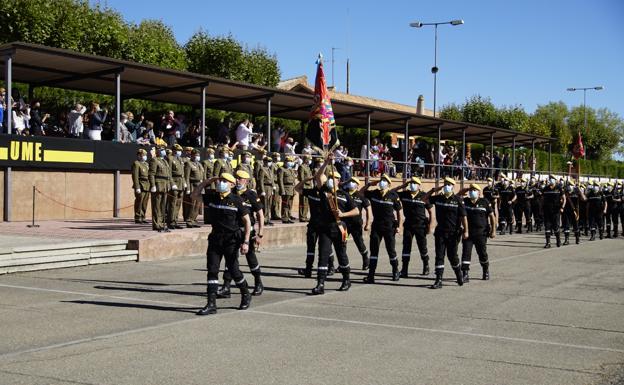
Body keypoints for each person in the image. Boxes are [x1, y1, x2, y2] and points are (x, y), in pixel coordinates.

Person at [192, 172, 252, 315]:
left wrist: (246, 242)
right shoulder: (213, 197)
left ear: (231, 185)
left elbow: (247, 222)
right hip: (215, 239)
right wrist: (207, 181)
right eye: (220, 180)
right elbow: (194, 195)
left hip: (231, 240)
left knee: (234, 270)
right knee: (212, 270)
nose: (221, 183)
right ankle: (211, 304)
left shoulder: (236, 200)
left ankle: (245, 293)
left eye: (225, 181)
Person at [307, 155, 359, 294]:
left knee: (342, 255)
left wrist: (343, 215)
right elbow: (318, 176)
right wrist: (326, 163)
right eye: (330, 177)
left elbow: (356, 210)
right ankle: (320, 284)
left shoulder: (344, 194)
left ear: (339, 181)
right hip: (325, 228)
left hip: (339, 227)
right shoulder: (324, 190)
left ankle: (346, 279)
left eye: (334, 178)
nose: (331, 179)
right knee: (323, 256)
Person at [217, 170, 265, 298]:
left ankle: (258, 282)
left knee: (251, 258)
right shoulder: (230, 194)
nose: (238, 180)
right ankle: (226, 286)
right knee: (230, 259)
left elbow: (260, 215)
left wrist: (260, 234)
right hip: (233, 231)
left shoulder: (251, 195)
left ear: (247, 181)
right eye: (236, 178)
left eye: (241, 178)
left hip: (246, 232)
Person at [424, 177, 468, 289]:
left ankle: (458, 274)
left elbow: (464, 217)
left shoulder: (458, 200)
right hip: (440, 232)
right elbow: (424, 199)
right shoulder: (439, 198)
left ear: (453, 187)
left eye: (449, 184)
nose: (447, 186)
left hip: (454, 233)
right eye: (445, 184)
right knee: (439, 255)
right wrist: (434, 189)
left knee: (452, 256)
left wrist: (466, 231)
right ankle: (438, 280)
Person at [359, 174, 402, 283]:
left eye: (384, 181)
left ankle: (395, 271)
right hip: (377, 226)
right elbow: (360, 193)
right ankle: (371, 275)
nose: (382, 182)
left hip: (389, 227)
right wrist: (369, 184)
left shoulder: (393, 195)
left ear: (388, 184)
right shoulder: (374, 193)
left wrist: (399, 226)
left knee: (391, 250)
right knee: (374, 251)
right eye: (381, 180)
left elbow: (399, 211)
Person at [393, 177, 432, 277]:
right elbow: (392, 193)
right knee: (406, 247)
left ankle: (426, 265)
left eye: (415, 183)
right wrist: (403, 186)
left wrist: (430, 226)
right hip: (409, 225)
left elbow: (431, 212)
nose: (413, 185)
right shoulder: (405, 194)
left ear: (419, 185)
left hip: (421, 225)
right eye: (411, 183)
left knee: (422, 247)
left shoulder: (424, 195)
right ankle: (404, 269)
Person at [458, 184, 496, 282]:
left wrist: (493, 230)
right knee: (466, 253)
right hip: (468, 233)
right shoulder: (465, 201)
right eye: (471, 190)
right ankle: (465, 273)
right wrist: (463, 191)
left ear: (479, 193)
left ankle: (485, 270)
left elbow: (492, 217)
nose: (472, 192)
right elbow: (456, 198)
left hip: (481, 233)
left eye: (474, 190)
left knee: (482, 253)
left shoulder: (485, 202)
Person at [342, 176, 371, 270]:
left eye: (354, 182)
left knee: (359, 242)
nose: (351, 183)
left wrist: (368, 223)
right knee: (343, 242)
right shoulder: (344, 193)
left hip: (356, 224)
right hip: (345, 224)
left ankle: (365, 259)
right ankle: (343, 263)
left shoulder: (360, 196)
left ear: (357, 185)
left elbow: (368, 209)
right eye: (350, 181)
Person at [149, 145, 172, 232]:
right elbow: (151, 174)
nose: (164, 152)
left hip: (165, 185)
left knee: (163, 207)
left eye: (164, 150)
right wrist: (153, 185)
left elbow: (168, 175)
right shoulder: (154, 160)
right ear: (158, 151)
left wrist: (169, 184)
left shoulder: (165, 161)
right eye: (162, 150)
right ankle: (156, 224)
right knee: (156, 206)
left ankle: (162, 224)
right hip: (158, 185)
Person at [542, 175, 566, 248]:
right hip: (547, 210)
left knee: (556, 226)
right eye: (549, 179)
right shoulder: (545, 189)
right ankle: (548, 243)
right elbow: (542, 198)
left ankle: (558, 241)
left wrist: (562, 207)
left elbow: (564, 199)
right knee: (547, 227)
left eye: (552, 179)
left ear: (555, 180)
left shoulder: (559, 188)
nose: (550, 180)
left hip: (555, 211)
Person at [166, 144, 185, 230]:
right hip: (175, 182)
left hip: (180, 182)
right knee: (172, 203)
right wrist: (172, 183)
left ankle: (175, 220)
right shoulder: (170, 158)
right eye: (178, 150)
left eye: (180, 151)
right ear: (174, 150)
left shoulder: (180, 159)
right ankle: (170, 221)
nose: (179, 152)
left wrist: (184, 182)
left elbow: (183, 173)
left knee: (178, 203)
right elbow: (169, 173)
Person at [184, 149, 204, 228]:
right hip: (193, 186)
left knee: (197, 205)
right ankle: (189, 220)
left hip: (199, 186)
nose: (197, 157)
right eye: (195, 155)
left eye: (198, 155)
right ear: (192, 155)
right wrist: (188, 188)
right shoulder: (188, 164)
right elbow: (187, 177)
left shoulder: (199, 164)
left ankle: (194, 219)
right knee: (192, 204)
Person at [132, 148, 150, 224]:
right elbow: (135, 176)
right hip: (140, 185)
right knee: (139, 201)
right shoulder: (136, 163)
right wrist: (137, 187)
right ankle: (138, 217)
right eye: (143, 155)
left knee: (144, 203)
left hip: (147, 185)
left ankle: (143, 216)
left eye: (145, 155)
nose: (144, 157)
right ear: (139, 156)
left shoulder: (146, 164)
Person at [257, 156, 275, 226]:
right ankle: (264, 219)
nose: (269, 163)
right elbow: (261, 181)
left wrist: (273, 187)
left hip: (270, 188)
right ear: (264, 162)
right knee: (265, 204)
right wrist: (262, 190)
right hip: (265, 187)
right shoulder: (262, 169)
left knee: (269, 204)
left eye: (270, 161)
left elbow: (272, 179)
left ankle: (268, 219)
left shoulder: (269, 170)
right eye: (268, 161)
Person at [278, 156, 297, 223]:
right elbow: (280, 180)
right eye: (289, 161)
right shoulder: (281, 169)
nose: (290, 163)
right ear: (285, 162)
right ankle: (284, 218)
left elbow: (294, 180)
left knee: (290, 204)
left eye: (291, 161)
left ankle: (288, 216)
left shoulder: (291, 169)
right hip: (286, 188)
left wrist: (294, 190)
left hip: (291, 188)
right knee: (285, 204)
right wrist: (282, 190)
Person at [298, 154, 313, 222]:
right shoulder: (301, 167)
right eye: (309, 159)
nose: (310, 161)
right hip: (304, 186)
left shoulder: (308, 167)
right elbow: (301, 178)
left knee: (307, 202)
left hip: (309, 186)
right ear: (305, 159)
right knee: (303, 202)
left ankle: (305, 215)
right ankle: (302, 216)